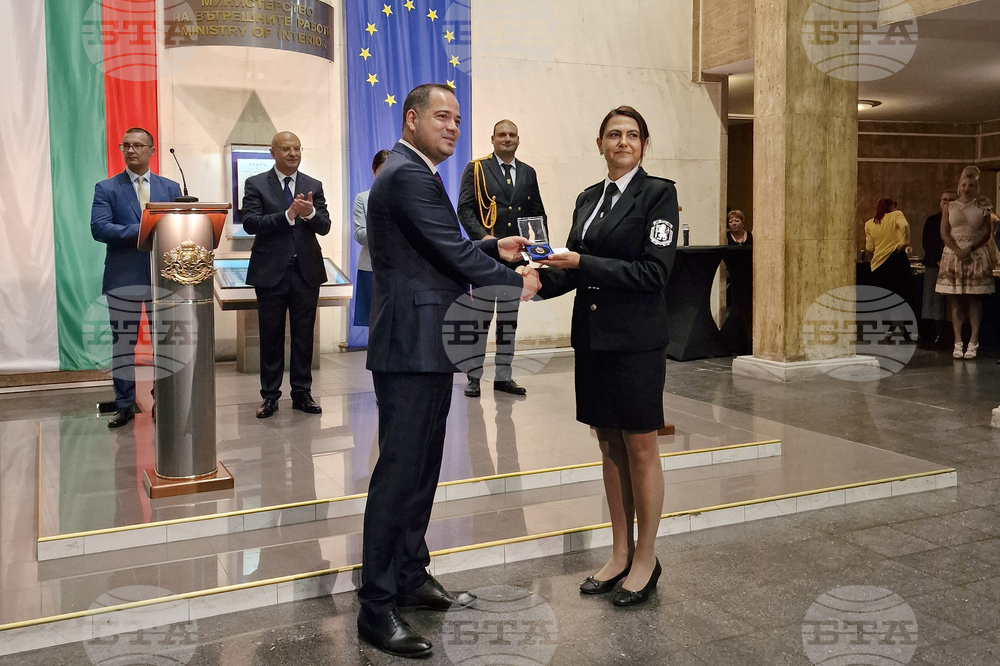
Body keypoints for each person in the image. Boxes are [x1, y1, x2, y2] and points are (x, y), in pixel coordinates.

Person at [358, 83, 540, 658]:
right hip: (409, 344)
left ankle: (410, 576)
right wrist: (515, 282)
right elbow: (449, 250)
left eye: (458, 119)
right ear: (411, 119)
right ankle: (375, 606)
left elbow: (443, 246)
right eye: (442, 116)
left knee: (422, 469)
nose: (453, 127)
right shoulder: (407, 174)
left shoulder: (420, 173)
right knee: (398, 476)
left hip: (428, 342)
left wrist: (493, 247)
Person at [528, 106, 678, 607]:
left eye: (633, 135)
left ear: (644, 144)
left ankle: (646, 559)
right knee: (609, 446)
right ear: (600, 143)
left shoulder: (658, 195)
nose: (623, 142)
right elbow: (571, 269)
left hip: (636, 340)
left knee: (640, 447)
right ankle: (619, 552)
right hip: (593, 339)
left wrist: (582, 261)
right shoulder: (588, 198)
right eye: (614, 134)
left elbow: (653, 273)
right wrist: (536, 281)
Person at [90, 127, 181, 428]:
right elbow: (100, 228)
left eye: (138, 145)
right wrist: (143, 229)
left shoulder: (170, 188)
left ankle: (162, 401)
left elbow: (180, 225)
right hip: (123, 276)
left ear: (151, 151)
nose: (131, 150)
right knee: (123, 344)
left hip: (163, 277)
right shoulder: (107, 188)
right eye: (126, 145)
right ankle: (125, 404)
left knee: (164, 344)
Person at [242, 131, 331, 418]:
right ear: (273, 152)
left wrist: (309, 214)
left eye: (297, 149)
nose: (293, 154)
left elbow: (324, 226)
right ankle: (269, 396)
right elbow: (250, 223)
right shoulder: (256, 183)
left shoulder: (313, 185)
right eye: (286, 149)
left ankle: (302, 393)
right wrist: (287, 216)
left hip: (306, 271)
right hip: (270, 271)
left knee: (304, 336)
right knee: (271, 336)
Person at [457, 119, 547, 397]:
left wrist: (538, 253)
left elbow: (537, 213)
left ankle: (503, 377)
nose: (507, 139)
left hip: (515, 260)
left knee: (509, 321)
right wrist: (486, 240)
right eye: (502, 134)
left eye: (512, 135)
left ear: (518, 140)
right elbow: (465, 209)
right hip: (485, 257)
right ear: (492, 139)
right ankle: (474, 377)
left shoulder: (528, 172)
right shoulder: (477, 169)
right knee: (480, 320)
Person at [937, 166, 995, 359]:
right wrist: (957, 250)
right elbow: (944, 232)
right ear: (959, 186)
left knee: (974, 299)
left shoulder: (983, 206)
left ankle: (973, 341)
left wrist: (969, 248)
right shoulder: (950, 206)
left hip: (975, 254)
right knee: (955, 299)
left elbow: (986, 232)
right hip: (954, 254)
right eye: (964, 185)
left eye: (971, 185)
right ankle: (957, 341)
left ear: (976, 187)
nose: (966, 188)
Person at [352, 149, 391, 327]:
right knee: (374, 322)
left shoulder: (406, 196)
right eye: (382, 170)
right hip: (371, 268)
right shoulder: (363, 198)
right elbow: (360, 234)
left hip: (401, 268)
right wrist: (387, 232)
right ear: (374, 171)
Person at [921, 191, 958, 347]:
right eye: (944, 199)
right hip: (933, 264)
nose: (946, 202)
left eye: (950, 199)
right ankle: (935, 334)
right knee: (933, 301)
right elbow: (926, 242)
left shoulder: (958, 220)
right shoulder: (932, 220)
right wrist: (938, 259)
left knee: (951, 302)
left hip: (953, 264)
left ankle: (951, 336)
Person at [864, 198, 912, 304]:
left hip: (878, 265)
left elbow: (869, 247)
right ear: (891, 206)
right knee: (902, 297)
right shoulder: (896, 215)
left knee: (882, 300)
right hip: (896, 260)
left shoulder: (869, 224)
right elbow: (904, 225)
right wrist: (903, 243)